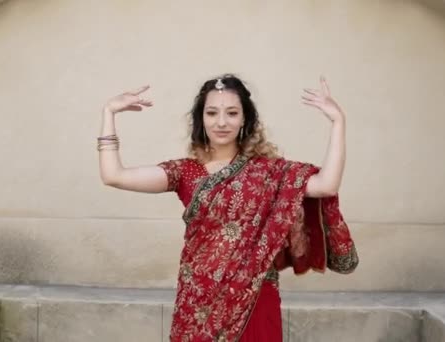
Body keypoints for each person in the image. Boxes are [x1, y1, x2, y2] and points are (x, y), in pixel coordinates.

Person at [98, 74, 358, 342]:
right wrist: (109, 113)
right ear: (201, 119)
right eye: (212, 113)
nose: (221, 122)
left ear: (245, 118)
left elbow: (326, 185)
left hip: (253, 297)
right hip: (199, 302)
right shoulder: (185, 172)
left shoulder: (269, 172)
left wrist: (338, 122)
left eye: (232, 113)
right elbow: (113, 175)